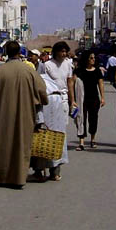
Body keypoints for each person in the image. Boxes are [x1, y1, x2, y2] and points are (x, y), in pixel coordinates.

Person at [0, 40, 48, 187]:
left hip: (1, 116)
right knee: (21, 145)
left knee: (0, 145)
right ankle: (18, 178)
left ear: (6, 52)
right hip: (23, 115)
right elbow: (42, 92)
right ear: (19, 53)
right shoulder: (29, 71)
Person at [40, 41, 74, 179]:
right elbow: (41, 83)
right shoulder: (47, 65)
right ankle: (41, 167)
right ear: (55, 52)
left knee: (60, 134)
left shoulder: (68, 64)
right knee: (45, 132)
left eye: (66, 51)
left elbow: (70, 82)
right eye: (62, 51)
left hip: (63, 100)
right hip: (48, 100)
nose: (64, 54)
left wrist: (73, 100)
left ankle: (56, 169)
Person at [74, 50, 105, 150]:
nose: (93, 60)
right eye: (91, 58)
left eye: (94, 58)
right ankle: (81, 141)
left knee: (93, 119)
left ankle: (93, 139)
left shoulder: (97, 71)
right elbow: (73, 83)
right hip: (81, 99)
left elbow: (101, 84)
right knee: (81, 119)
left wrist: (103, 97)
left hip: (94, 98)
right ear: (86, 59)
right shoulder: (79, 70)